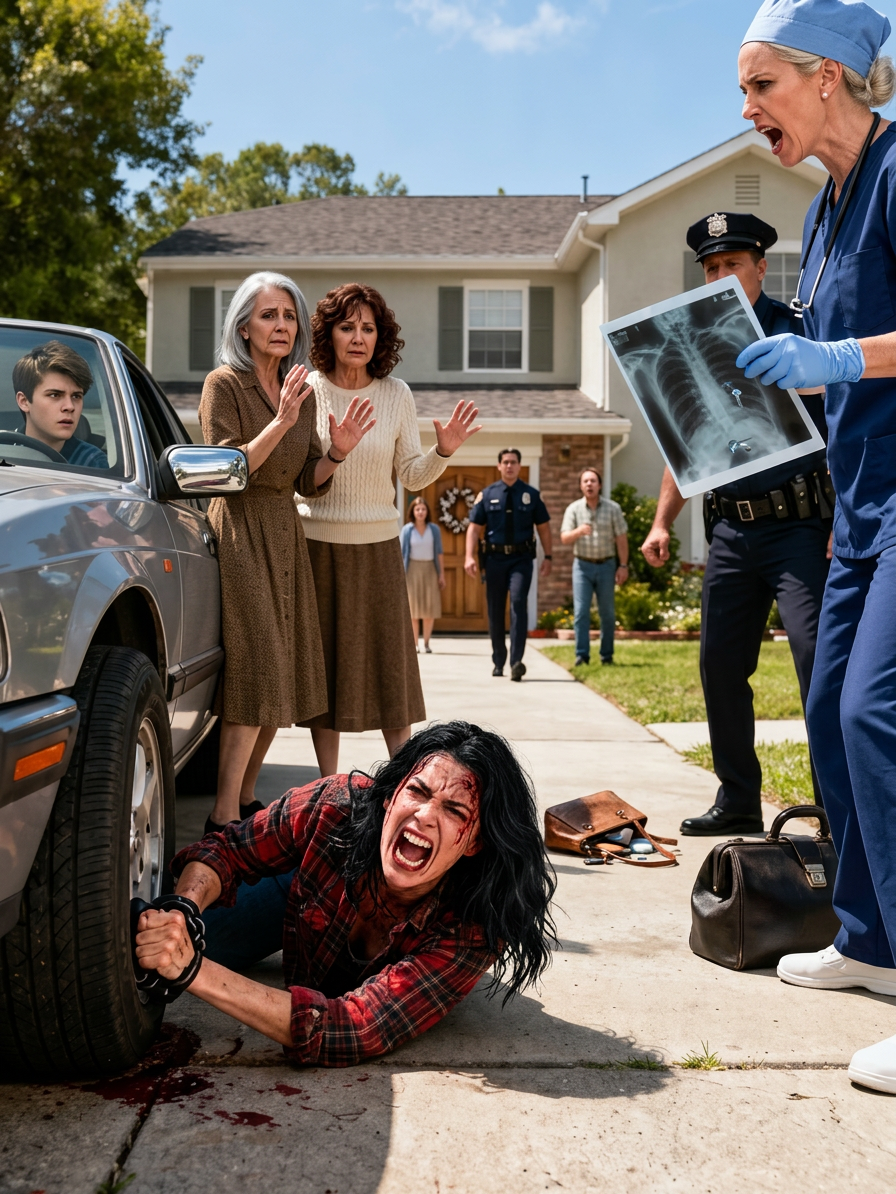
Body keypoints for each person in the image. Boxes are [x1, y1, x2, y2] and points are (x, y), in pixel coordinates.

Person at [734, 0, 896, 1094]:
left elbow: (855, 352)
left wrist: (833, 357)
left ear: (827, 78)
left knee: (871, 712)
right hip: (861, 502)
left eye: (761, 87)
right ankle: (868, 942)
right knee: (826, 709)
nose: (748, 111)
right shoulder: (827, 205)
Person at [132, 721, 557, 1066]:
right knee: (140, 942)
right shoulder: (336, 806)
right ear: (390, 796)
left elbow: (352, 1027)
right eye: (418, 791)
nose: (425, 816)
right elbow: (227, 849)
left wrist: (192, 970)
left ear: (474, 843)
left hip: (391, 961)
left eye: (455, 810)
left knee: (171, 956)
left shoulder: (473, 927)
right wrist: (182, 909)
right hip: (303, 891)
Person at [641, 210, 831, 837]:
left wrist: (845, 520)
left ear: (760, 267)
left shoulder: (801, 332)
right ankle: (739, 799)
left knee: (815, 659)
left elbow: (849, 426)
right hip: (730, 532)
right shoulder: (685, 331)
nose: (721, 275)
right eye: (712, 267)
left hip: (802, 526)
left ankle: (835, 803)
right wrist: (662, 523)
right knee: (720, 664)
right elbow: (685, 445)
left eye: (732, 264)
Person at [199, 272, 374, 832]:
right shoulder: (223, 384)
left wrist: (338, 454)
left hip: (284, 531)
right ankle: (222, 817)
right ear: (243, 327)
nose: (281, 325)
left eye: (289, 315)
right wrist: (280, 423)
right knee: (255, 673)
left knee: (281, 676)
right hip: (240, 529)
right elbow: (227, 468)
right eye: (268, 315)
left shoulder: (297, 387)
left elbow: (304, 477)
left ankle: (247, 801)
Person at [298, 283, 480, 778]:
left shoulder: (396, 395)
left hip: (378, 548)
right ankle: (327, 784)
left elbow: (412, 476)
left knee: (391, 675)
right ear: (328, 334)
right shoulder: (308, 390)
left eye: (369, 328)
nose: (358, 337)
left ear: (382, 337)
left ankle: (404, 782)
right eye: (347, 326)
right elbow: (299, 474)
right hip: (316, 547)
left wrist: (443, 451)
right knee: (327, 673)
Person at [464, 449, 552, 682]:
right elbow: (473, 528)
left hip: (521, 560)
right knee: (495, 609)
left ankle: (516, 661)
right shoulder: (487, 494)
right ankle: (498, 661)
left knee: (518, 603)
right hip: (494, 560)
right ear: (499, 465)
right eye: (506, 462)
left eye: (513, 462)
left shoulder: (531, 495)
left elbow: (543, 527)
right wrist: (469, 557)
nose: (510, 466)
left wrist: (549, 556)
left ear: (520, 466)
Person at [560, 468, 629, 667]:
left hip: (607, 565)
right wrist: (578, 531)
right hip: (582, 566)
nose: (589, 484)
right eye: (585, 481)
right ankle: (582, 655)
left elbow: (621, 539)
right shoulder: (573, 509)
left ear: (599, 485)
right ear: (581, 486)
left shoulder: (613, 508)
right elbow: (564, 538)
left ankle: (606, 655)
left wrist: (623, 565)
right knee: (581, 611)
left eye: (593, 481)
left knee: (607, 612)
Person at [13, 341, 108, 468]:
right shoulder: (4, 449)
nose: (70, 406)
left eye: (76, 396)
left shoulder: (91, 462)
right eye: (54, 395)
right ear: (23, 401)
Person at [400, 496, 446, 653]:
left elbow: (439, 553)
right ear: (413, 511)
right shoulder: (407, 530)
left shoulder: (434, 530)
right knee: (413, 610)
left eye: (423, 509)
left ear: (427, 512)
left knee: (429, 608)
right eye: (417, 509)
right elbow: (401, 553)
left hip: (430, 570)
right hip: (412, 570)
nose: (420, 512)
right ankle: (415, 645)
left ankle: (426, 644)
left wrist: (442, 575)